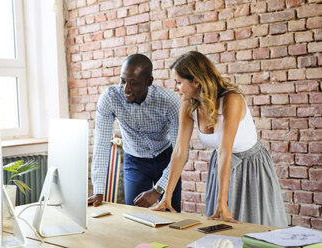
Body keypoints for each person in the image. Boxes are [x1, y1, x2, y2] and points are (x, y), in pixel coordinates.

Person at [151, 51, 288, 227]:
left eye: (178, 82)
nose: (175, 87)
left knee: (254, 226)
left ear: (196, 81)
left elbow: (225, 149)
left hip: (250, 165)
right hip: (221, 164)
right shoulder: (187, 104)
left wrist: (222, 201)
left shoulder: (232, 99)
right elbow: (179, 151)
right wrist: (166, 196)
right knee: (221, 230)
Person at [88, 54, 182, 211]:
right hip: (134, 161)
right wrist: (98, 190)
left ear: (149, 82)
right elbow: (101, 144)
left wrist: (158, 190)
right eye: (123, 81)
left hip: (167, 159)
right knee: (135, 216)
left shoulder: (170, 101)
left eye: (134, 83)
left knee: (170, 214)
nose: (126, 89)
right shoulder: (110, 98)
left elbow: (181, 151)